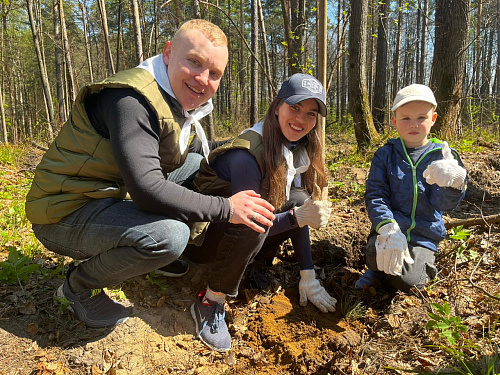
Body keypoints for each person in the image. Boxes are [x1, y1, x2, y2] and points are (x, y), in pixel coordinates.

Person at [24, 19, 275, 329]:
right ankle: (77, 287)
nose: (202, 79)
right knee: (171, 236)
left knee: (197, 165)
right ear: (168, 53)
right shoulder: (132, 101)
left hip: (109, 192)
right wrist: (228, 209)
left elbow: (194, 154)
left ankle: (150, 251)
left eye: (214, 74)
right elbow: (146, 188)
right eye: (194, 62)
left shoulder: (175, 98)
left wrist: (249, 144)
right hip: (63, 210)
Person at [184, 73, 338, 352]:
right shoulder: (248, 154)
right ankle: (210, 301)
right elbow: (251, 218)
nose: (301, 119)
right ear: (277, 106)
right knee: (254, 218)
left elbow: (297, 205)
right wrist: (297, 218)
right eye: (294, 108)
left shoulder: (293, 148)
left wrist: (308, 275)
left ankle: (250, 267)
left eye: (311, 113)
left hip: (230, 233)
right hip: (201, 242)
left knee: (298, 197)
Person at [355, 84, 467, 291]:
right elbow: (376, 196)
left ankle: (408, 267)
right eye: (406, 118)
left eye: (421, 118)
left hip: (424, 236)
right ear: (395, 121)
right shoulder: (385, 155)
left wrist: (456, 182)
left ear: (433, 119)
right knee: (373, 252)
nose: (413, 124)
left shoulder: (443, 156)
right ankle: (375, 269)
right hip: (391, 231)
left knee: (409, 281)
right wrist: (388, 226)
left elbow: (444, 204)